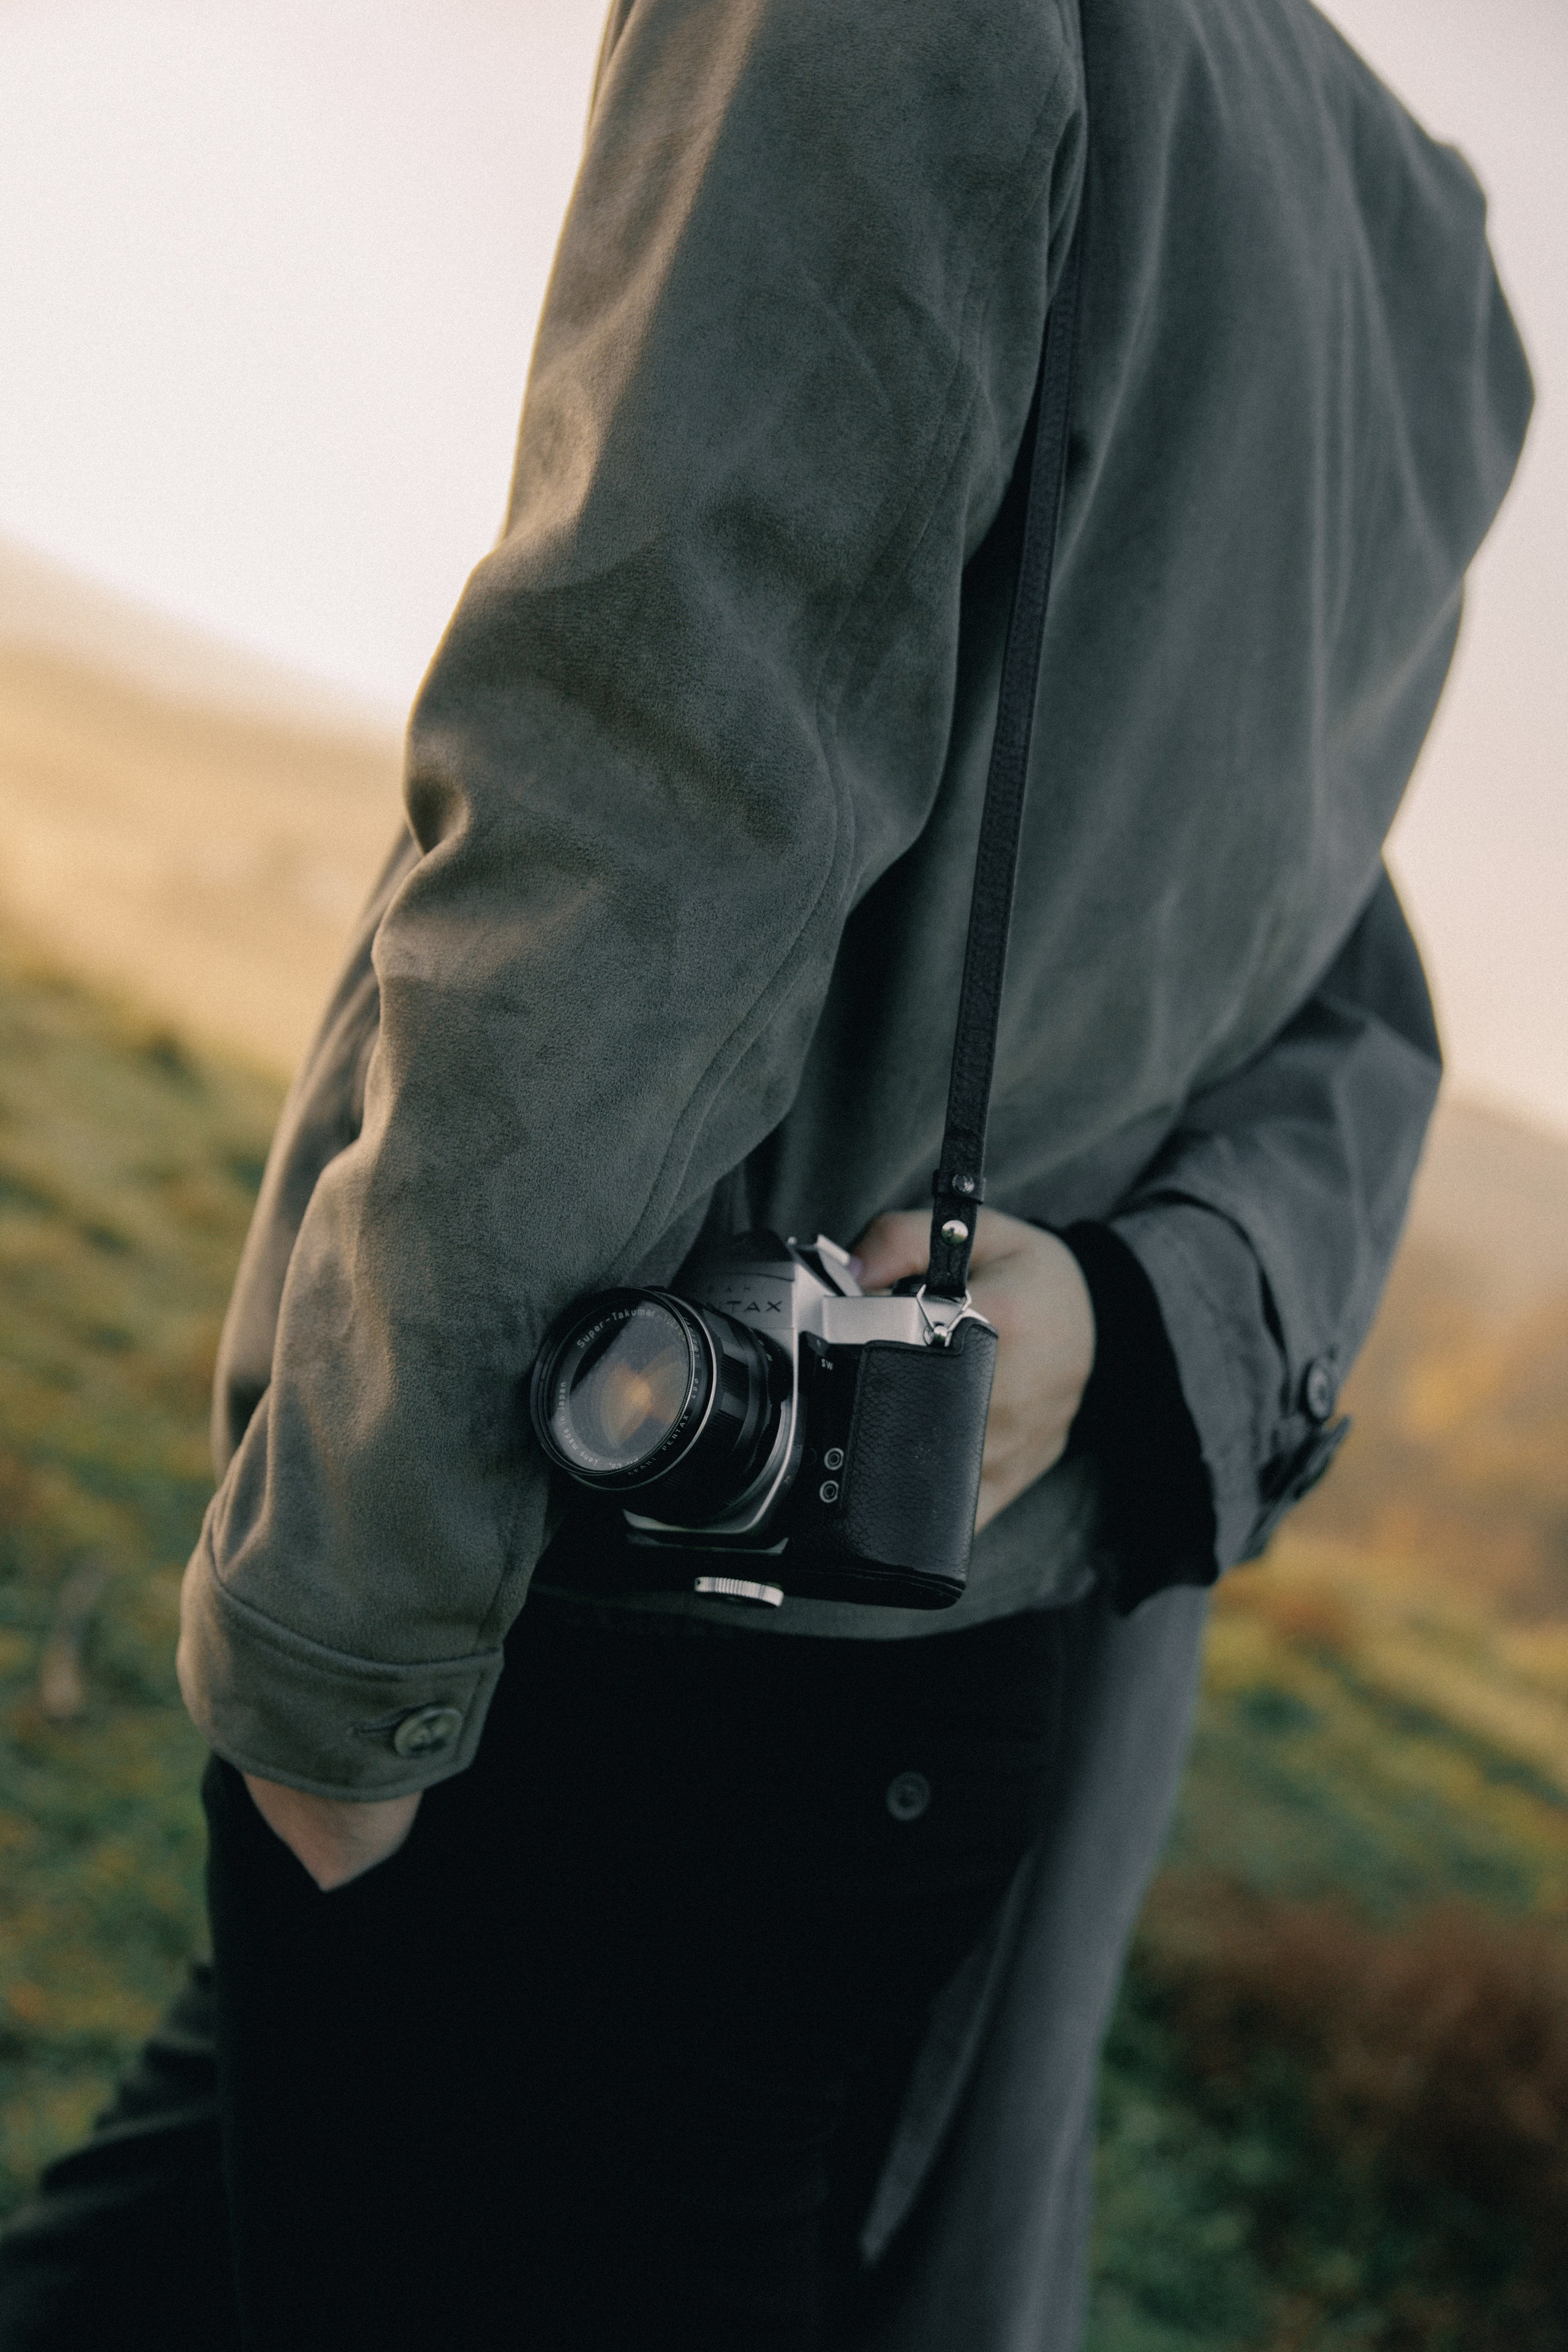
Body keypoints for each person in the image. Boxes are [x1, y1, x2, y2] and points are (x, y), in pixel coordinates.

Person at [0, 0, 1530, 2345]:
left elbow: (645, 797)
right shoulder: (1420, 251)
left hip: (578, 1616)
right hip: (915, 1687)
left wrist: (347, 1649)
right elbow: (1344, 1010)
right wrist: (1127, 1324)